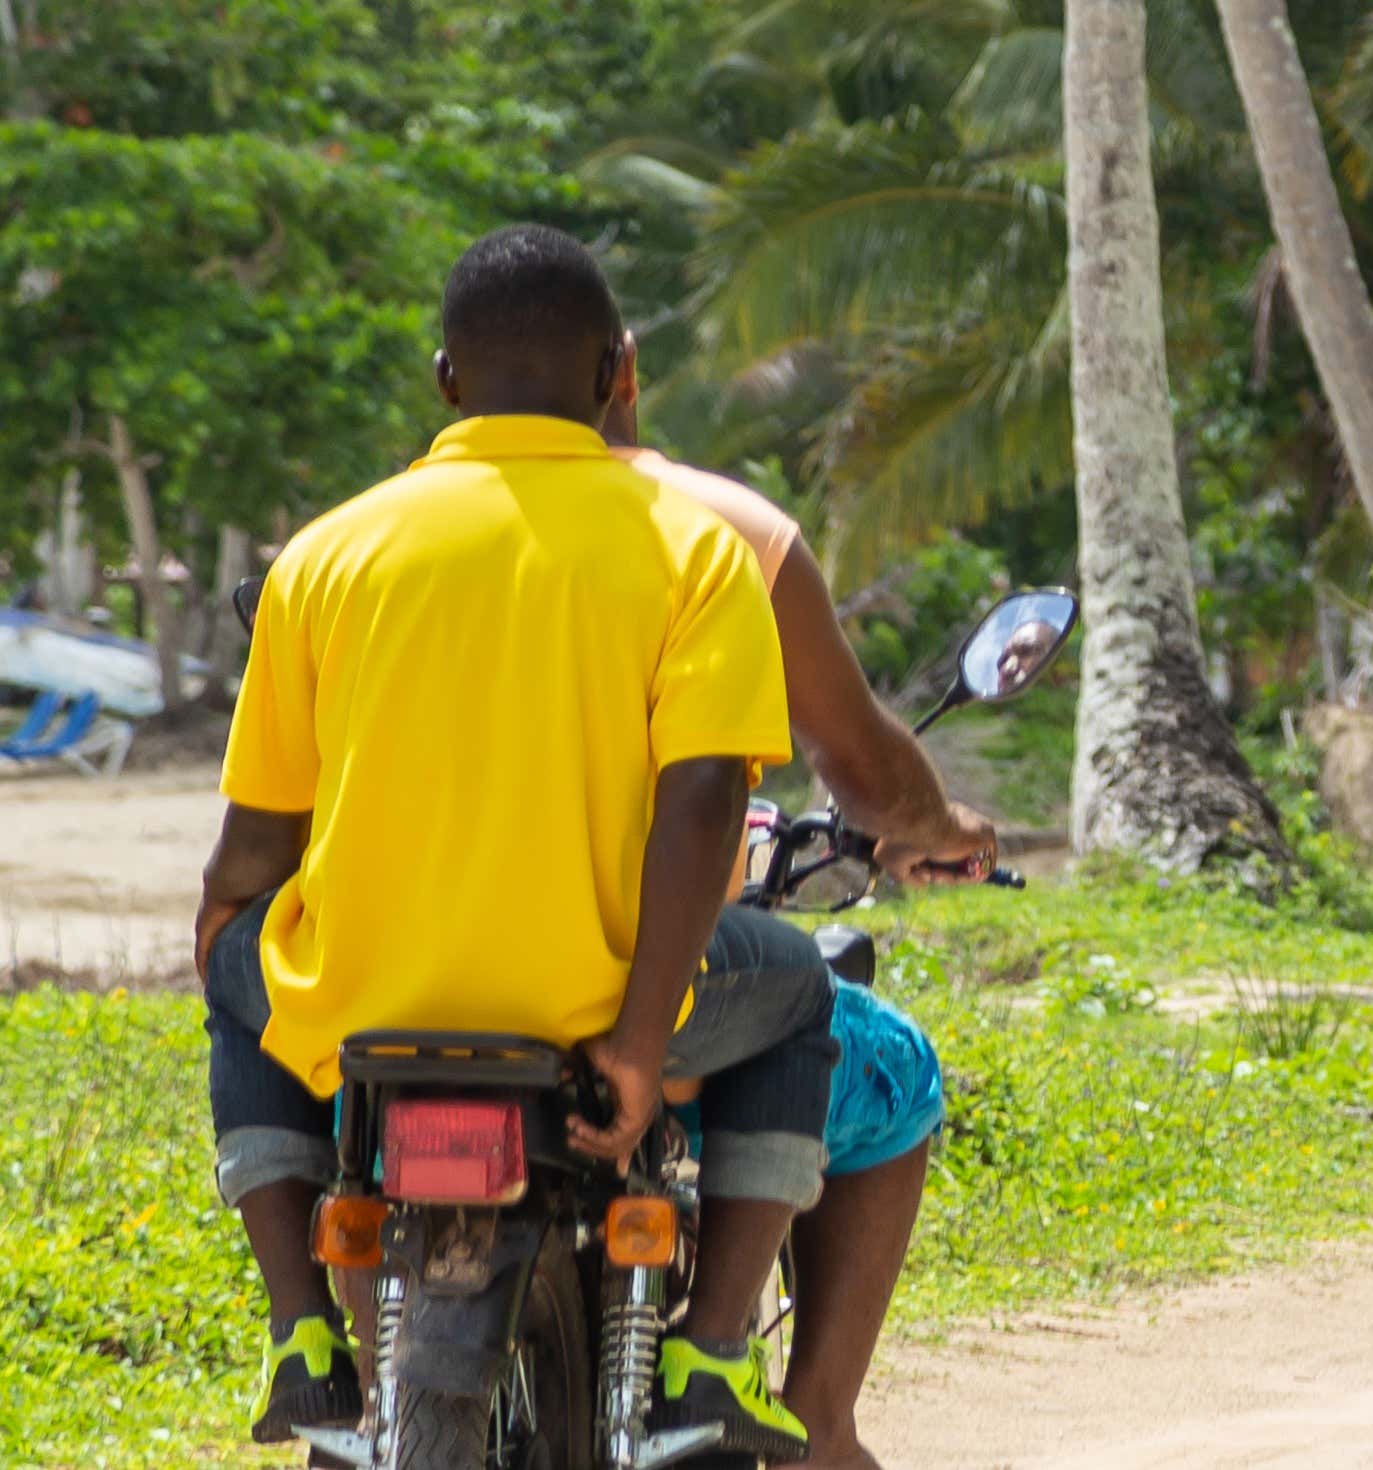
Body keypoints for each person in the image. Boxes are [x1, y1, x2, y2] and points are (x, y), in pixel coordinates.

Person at [193, 225, 828, 1460]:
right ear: (617, 373)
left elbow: (255, 843)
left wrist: (225, 934)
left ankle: (300, 1328)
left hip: (369, 1009)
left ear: (445, 378)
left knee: (235, 965)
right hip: (598, 1010)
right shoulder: (692, 548)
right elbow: (704, 799)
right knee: (801, 990)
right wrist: (641, 1042)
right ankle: (708, 1349)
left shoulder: (324, 555)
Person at [597, 374, 996, 1470]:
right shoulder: (726, 528)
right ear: (621, 372)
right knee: (858, 1035)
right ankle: (809, 1416)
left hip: (415, 976)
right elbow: (861, 765)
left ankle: (324, 1353)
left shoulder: (379, 536)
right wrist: (933, 818)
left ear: (454, 378)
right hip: (653, 981)